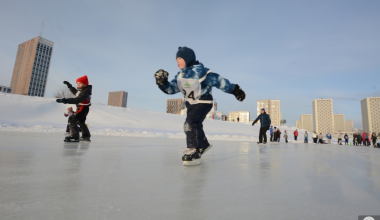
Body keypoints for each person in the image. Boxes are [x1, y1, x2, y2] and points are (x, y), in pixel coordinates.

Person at [154, 46, 245, 166]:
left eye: (180, 58)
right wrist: (163, 82)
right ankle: (204, 144)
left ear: (188, 58)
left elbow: (219, 81)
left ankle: (194, 150)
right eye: (176, 59)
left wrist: (235, 90)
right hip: (191, 104)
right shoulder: (180, 76)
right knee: (195, 124)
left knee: (190, 124)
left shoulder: (201, 72)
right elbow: (171, 89)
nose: (177, 61)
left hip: (203, 101)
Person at [56, 75, 92, 142]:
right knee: (81, 122)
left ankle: (74, 136)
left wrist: (67, 100)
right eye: (77, 83)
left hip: (82, 109)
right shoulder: (82, 90)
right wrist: (69, 86)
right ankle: (86, 136)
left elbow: (78, 99)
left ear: (85, 84)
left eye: (80, 83)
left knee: (72, 118)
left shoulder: (85, 92)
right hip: (83, 109)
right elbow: (75, 92)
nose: (78, 85)